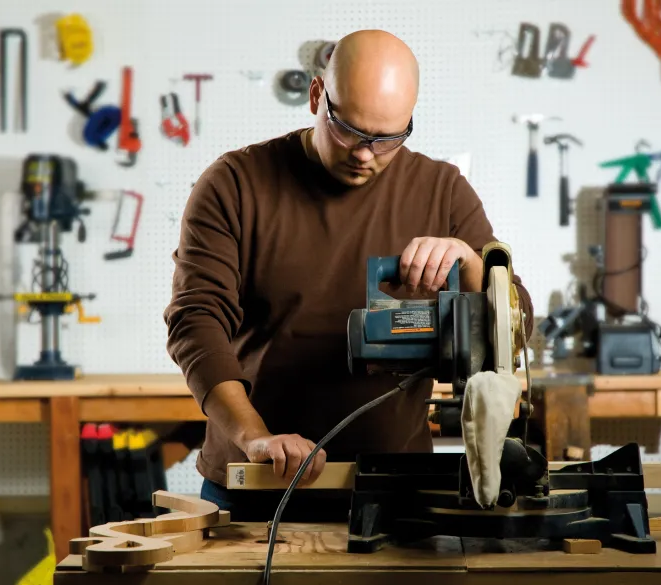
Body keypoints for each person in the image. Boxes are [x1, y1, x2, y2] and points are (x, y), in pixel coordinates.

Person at [163, 29, 534, 521]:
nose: (365, 153)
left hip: (396, 490)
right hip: (256, 485)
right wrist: (256, 437)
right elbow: (196, 322)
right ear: (317, 96)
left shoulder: (442, 190)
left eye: (387, 140)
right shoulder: (234, 184)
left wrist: (469, 263)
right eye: (350, 131)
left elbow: (517, 322)